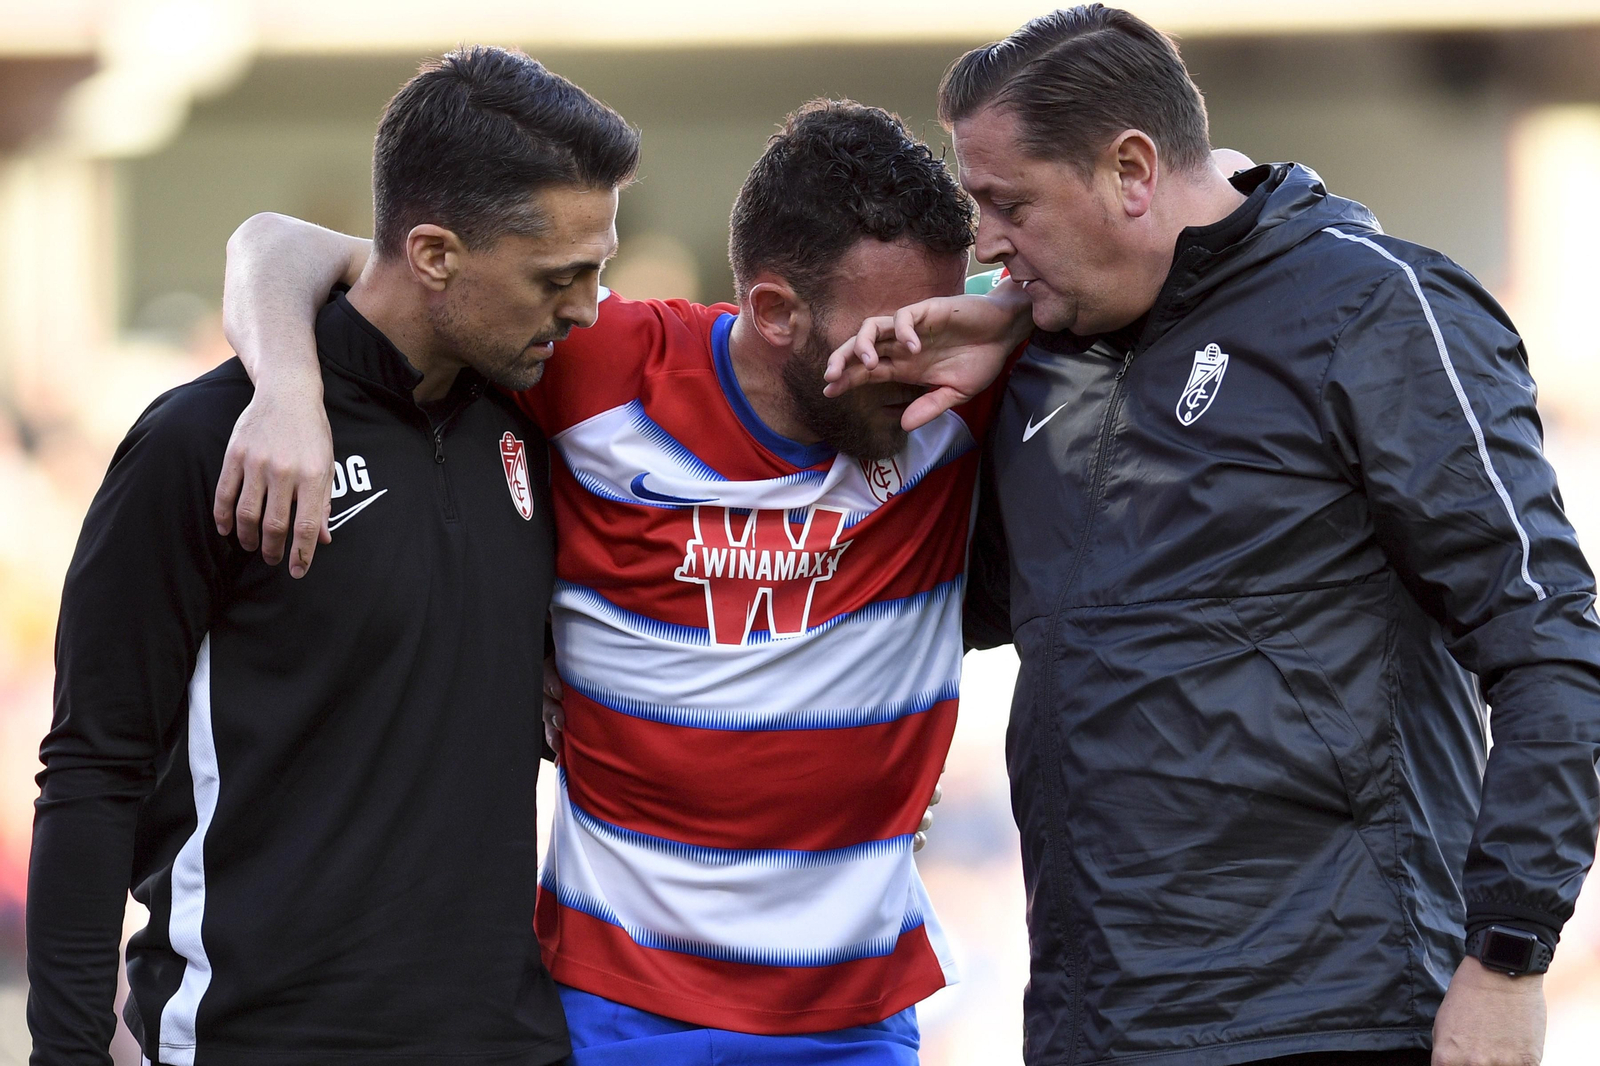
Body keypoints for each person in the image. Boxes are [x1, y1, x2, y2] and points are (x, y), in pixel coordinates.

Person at [823, 6, 1600, 1066]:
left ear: (1131, 171)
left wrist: (1506, 958)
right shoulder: (1039, 355)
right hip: (1096, 1024)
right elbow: (945, 610)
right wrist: (887, 418)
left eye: (1008, 203)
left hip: (1338, 1013)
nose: (986, 243)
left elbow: (1551, 645)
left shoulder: (1377, 308)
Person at [210, 101, 996, 1065]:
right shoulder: (606, 367)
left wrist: (1005, 319)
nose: (925, 357)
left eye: (944, 321)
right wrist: (288, 390)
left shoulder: (957, 395)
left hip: (854, 1020)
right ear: (775, 312)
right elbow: (275, 245)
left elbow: (1140, 245)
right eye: (892, 337)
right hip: (613, 1008)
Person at [28, 46, 638, 1066]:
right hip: (258, 1038)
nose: (584, 308)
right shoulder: (204, 442)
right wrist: (69, 1052)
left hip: (506, 1042)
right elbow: (94, 767)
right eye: (557, 277)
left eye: (597, 270)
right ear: (434, 254)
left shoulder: (538, 426)